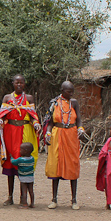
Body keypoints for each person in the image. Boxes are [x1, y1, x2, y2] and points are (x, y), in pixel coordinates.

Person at [0, 75, 41, 206]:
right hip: (10, 132)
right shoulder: (7, 98)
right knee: (10, 163)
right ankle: (10, 196)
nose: (19, 85)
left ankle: (23, 197)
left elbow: (32, 115)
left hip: (25, 131)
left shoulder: (29, 98)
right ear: (13, 84)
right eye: (17, 83)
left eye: (21, 83)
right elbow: (2, 114)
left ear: (25, 84)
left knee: (23, 164)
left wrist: (36, 123)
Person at [44, 81, 84, 210]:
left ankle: (74, 200)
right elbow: (50, 121)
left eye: (72, 91)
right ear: (62, 90)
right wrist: (48, 133)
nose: (71, 93)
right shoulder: (54, 103)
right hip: (57, 135)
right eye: (68, 91)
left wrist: (80, 129)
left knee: (72, 164)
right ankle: (54, 199)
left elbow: (78, 119)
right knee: (55, 165)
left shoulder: (74, 103)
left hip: (71, 135)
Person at [10, 142, 36, 207]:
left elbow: (13, 162)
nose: (20, 151)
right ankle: (32, 203)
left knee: (24, 191)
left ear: (26, 151)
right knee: (31, 191)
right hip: (31, 177)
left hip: (23, 177)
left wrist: (11, 157)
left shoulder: (20, 160)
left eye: (21, 149)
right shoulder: (32, 159)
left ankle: (24, 204)